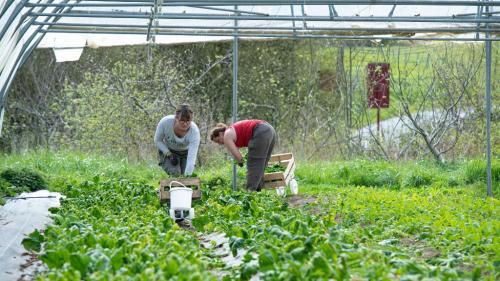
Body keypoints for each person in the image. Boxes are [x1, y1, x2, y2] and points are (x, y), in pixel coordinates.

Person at [210, 120, 276, 191]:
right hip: (269, 129)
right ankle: (258, 191)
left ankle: (250, 193)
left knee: (254, 165)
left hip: (260, 131)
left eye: (218, 141)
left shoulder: (226, 135)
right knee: (261, 165)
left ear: (220, 133)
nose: (220, 143)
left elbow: (239, 157)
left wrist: (240, 162)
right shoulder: (231, 130)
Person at [154, 104, 200, 177]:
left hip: (186, 153)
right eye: (182, 120)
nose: (185, 124)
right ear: (176, 118)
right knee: (176, 174)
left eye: (188, 121)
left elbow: (191, 158)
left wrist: (187, 179)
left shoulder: (194, 132)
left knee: (186, 174)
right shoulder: (165, 123)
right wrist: (169, 154)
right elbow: (157, 140)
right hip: (169, 151)